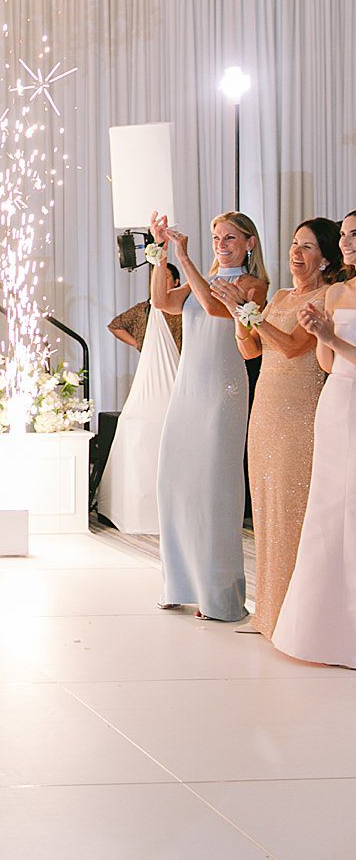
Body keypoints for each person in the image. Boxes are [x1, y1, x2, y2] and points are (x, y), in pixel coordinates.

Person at [150, 208, 268, 622]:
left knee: (213, 491)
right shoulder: (205, 279)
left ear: (249, 243)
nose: (221, 245)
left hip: (223, 392)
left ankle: (217, 595)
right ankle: (178, 584)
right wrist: (161, 252)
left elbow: (216, 310)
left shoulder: (252, 285)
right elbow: (162, 301)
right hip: (187, 391)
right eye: (217, 238)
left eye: (230, 237)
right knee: (173, 482)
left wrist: (185, 258)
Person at [238, 217, 341, 639]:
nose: (296, 253)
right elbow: (252, 350)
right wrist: (239, 316)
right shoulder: (280, 296)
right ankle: (268, 611)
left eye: (307, 247)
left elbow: (295, 346)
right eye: (295, 244)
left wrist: (250, 313)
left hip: (299, 413)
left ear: (326, 258)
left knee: (292, 510)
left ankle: (295, 618)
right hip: (264, 409)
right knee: (265, 510)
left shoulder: (325, 297)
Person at [274, 208, 356, 667]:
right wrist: (319, 333)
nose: (346, 242)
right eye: (343, 235)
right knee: (327, 511)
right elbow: (327, 364)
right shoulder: (338, 291)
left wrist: (331, 336)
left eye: (354, 235)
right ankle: (322, 632)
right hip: (336, 403)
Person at [96, 263, 183, 534]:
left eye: (166, 277)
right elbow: (115, 325)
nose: (160, 281)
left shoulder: (183, 308)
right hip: (152, 373)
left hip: (180, 370)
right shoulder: (145, 309)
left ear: (176, 280)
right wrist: (138, 344)